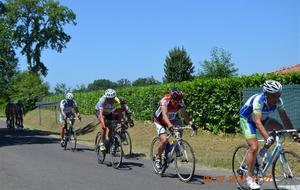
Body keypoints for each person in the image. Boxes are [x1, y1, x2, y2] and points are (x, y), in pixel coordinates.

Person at [239, 80, 295, 189]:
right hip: (248, 120)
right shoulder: (259, 100)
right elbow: (257, 122)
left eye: (279, 95)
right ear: (266, 94)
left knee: (279, 129)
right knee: (254, 147)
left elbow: (285, 118)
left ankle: (264, 151)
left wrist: (293, 134)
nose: (277, 98)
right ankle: (250, 179)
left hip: (262, 119)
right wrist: (267, 137)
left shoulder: (278, 101)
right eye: (274, 95)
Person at [153, 88, 196, 169]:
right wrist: (169, 126)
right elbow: (164, 115)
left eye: (179, 101)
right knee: (164, 140)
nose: (177, 103)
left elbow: (185, 115)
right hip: (160, 120)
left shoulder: (180, 102)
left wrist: (191, 124)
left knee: (179, 131)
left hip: (173, 119)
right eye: (175, 101)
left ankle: (174, 147)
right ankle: (158, 157)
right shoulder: (165, 100)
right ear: (171, 98)